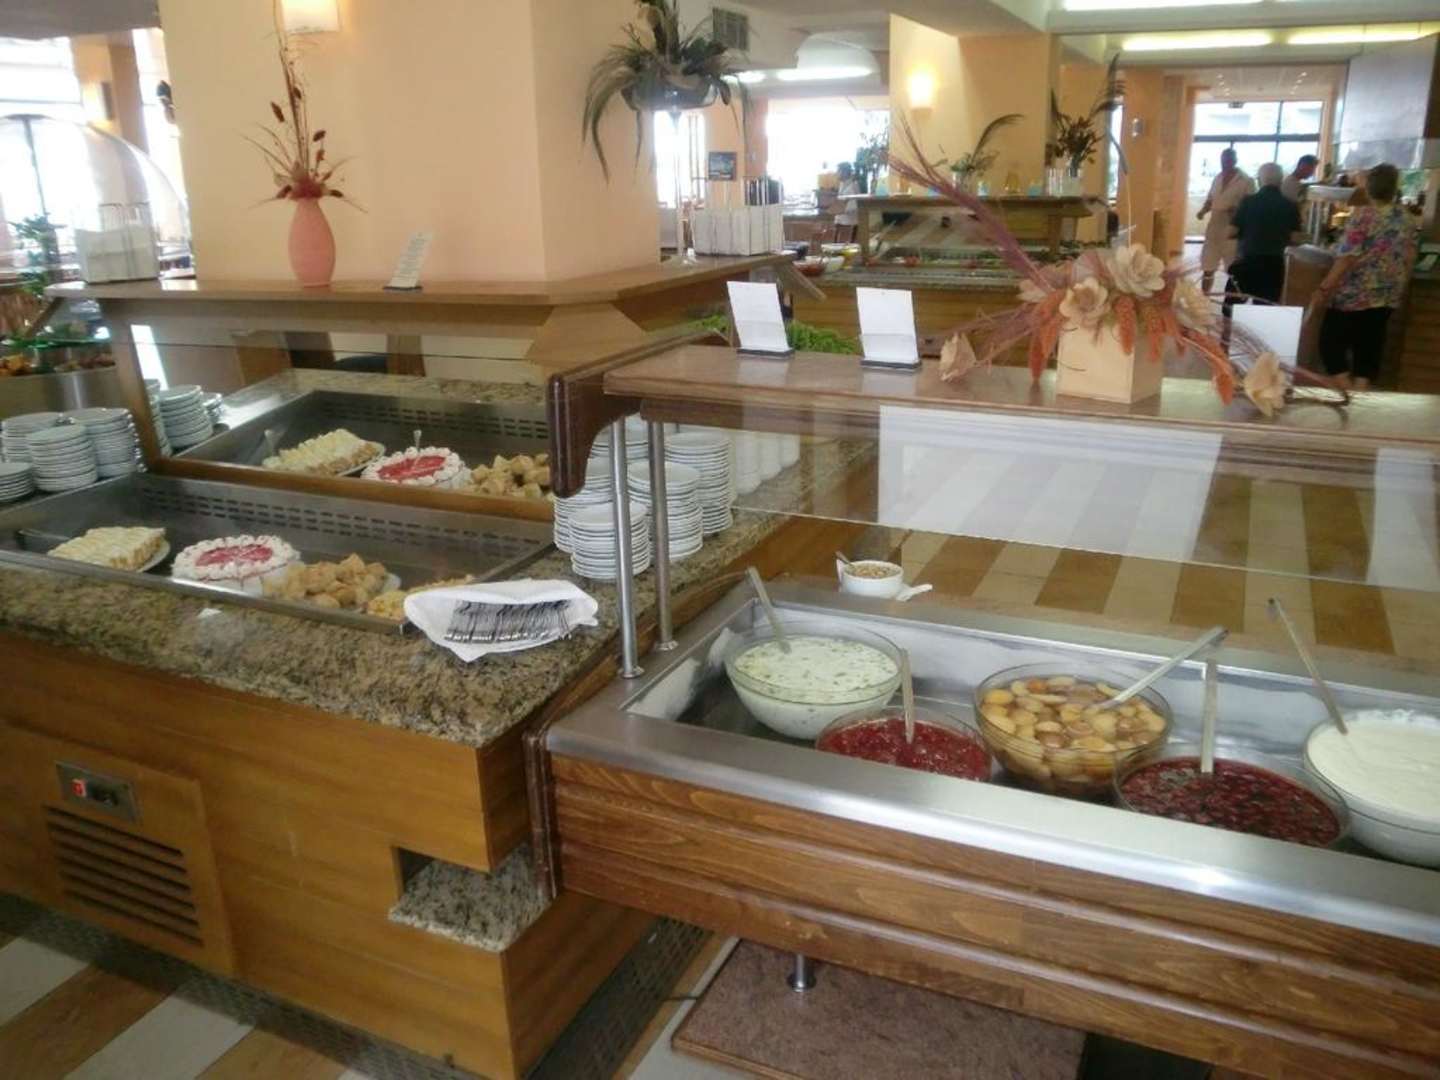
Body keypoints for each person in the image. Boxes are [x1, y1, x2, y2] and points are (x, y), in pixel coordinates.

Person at [1314, 164, 1417, 390]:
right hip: (1387, 293)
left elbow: (1347, 257)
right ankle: (1360, 392)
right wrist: (1401, 285)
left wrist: (1324, 287)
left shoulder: (1363, 216)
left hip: (1354, 292)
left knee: (1330, 344)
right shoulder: (1406, 217)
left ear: (1369, 188)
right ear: (1394, 188)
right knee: (1369, 345)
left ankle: (1346, 389)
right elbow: (1410, 256)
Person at [1228, 162, 1302, 304]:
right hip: (1274, 264)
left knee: (1231, 306)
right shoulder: (1290, 205)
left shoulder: (1248, 202)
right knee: (1265, 306)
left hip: (1246, 260)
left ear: (1259, 180)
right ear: (1280, 181)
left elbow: (1231, 232)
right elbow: (1296, 239)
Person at [1197, 148, 1255, 295]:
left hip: (1233, 228)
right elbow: (1210, 199)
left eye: (1228, 160)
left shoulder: (1246, 181)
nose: (1225, 163)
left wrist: (1237, 211)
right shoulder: (1217, 178)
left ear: (1235, 161)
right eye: (1223, 160)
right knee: (1208, 265)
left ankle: (1235, 298)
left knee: (1233, 267)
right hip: (1214, 227)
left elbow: (1251, 205)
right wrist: (1203, 211)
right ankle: (1204, 297)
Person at [833, 162, 860, 244]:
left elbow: (854, 206)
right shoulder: (842, 184)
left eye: (838, 171)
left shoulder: (853, 185)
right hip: (841, 222)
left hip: (849, 223)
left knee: (845, 248)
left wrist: (839, 209)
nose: (836, 173)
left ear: (844, 172)